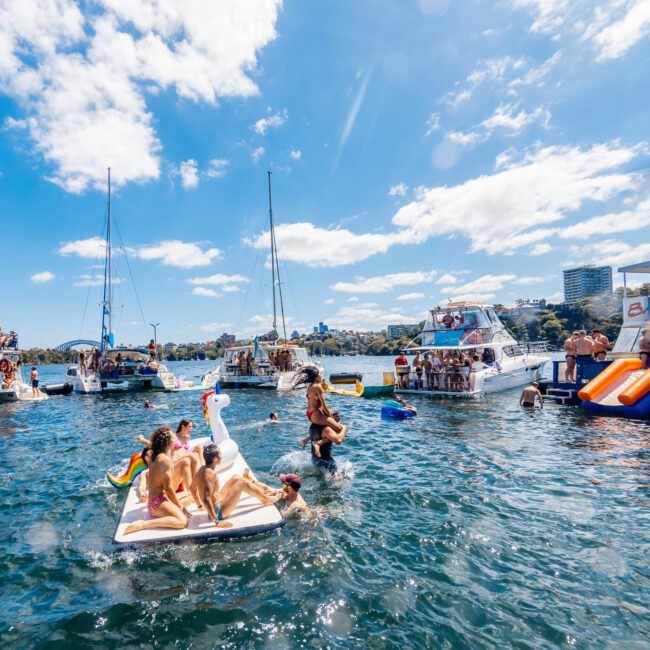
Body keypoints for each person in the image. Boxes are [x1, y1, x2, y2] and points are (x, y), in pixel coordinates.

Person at [125, 426, 193, 534]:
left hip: (157, 500)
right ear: (167, 442)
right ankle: (143, 524)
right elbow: (168, 488)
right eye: (173, 437)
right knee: (182, 521)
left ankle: (177, 505)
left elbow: (151, 445)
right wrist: (179, 506)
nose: (175, 438)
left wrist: (143, 440)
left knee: (189, 495)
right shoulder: (164, 460)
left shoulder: (155, 454)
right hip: (157, 503)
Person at [190, 444, 279, 527]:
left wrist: (199, 506)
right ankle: (266, 499)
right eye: (220, 454)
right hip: (219, 512)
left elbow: (192, 489)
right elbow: (206, 499)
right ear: (215, 459)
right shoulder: (209, 474)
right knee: (242, 482)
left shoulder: (202, 469)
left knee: (236, 478)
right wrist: (216, 521)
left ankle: (263, 493)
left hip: (216, 504)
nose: (221, 456)